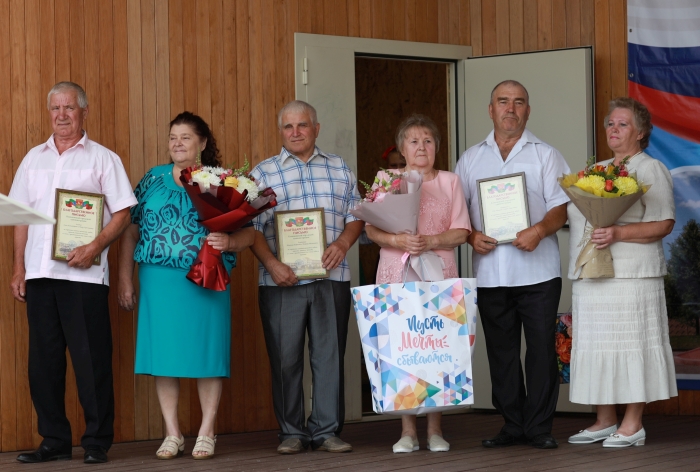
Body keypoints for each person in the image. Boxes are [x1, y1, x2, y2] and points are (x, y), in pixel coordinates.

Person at [9, 82, 137, 464]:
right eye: (55, 108)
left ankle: (96, 441)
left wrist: (95, 247)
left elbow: (123, 213)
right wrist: (19, 267)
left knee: (90, 359)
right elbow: (19, 215)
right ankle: (54, 440)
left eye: (69, 107)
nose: (62, 115)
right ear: (48, 113)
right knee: (43, 363)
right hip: (39, 275)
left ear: (84, 111)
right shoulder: (33, 159)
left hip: (84, 277)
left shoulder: (104, 159)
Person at [118, 112, 254, 460]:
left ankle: (207, 430)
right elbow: (131, 230)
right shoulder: (152, 179)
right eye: (172, 137)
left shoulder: (224, 182)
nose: (177, 143)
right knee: (165, 356)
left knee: (207, 352)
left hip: (206, 278)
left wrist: (230, 243)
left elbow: (249, 232)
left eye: (186, 137)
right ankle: (173, 433)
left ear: (203, 143)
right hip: (158, 279)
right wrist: (124, 277)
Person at [455, 80, 570, 449]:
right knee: (501, 353)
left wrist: (539, 229)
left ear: (527, 111)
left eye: (519, 102)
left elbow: (561, 208)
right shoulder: (470, 159)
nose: (510, 108)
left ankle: (538, 428)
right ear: (490, 110)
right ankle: (512, 424)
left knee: (539, 351)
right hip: (490, 274)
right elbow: (457, 214)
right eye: (503, 101)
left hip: (538, 271)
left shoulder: (545, 155)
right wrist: (471, 236)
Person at [249, 100, 363, 454]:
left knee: (329, 356)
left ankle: (327, 430)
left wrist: (344, 243)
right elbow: (250, 229)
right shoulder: (262, 174)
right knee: (285, 358)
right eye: (288, 127)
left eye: (302, 125)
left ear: (316, 128)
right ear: (280, 131)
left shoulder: (340, 167)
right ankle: (292, 432)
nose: (295, 132)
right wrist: (271, 264)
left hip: (332, 275)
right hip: (281, 280)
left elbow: (357, 213)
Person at [566, 98, 676, 448]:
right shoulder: (595, 171)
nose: (614, 129)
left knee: (632, 346)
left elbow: (664, 223)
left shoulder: (650, 168)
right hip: (593, 273)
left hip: (633, 276)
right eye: (610, 124)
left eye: (623, 124)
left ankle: (633, 424)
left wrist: (618, 233)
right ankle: (604, 419)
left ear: (641, 132)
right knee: (598, 345)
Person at [365, 114, 471, 453]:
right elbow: (370, 229)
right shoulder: (386, 179)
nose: (421, 146)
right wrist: (397, 240)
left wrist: (431, 240)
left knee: (436, 346)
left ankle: (436, 430)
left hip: (438, 269)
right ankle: (407, 431)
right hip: (396, 271)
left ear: (437, 147)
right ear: (402, 148)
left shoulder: (450, 181)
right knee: (402, 348)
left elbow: (462, 231)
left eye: (428, 141)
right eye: (413, 141)